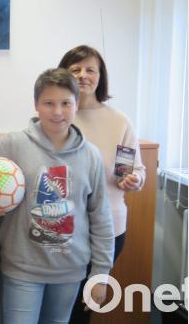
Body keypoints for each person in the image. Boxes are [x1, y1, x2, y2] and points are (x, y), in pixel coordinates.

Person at [0, 68, 114, 324]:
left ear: (76, 103)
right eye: (49, 103)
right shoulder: (17, 144)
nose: (57, 112)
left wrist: (101, 273)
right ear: (36, 104)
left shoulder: (90, 155)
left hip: (70, 271)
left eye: (65, 103)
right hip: (22, 269)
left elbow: (101, 217)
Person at [58, 45, 146, 323]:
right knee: (58, 306)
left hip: (107, 230)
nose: (83, 75)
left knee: (83, 307)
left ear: (100, 76)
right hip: (61, 229)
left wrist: (133, 179)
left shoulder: (119, 122)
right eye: (75, 69)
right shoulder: (57, 118)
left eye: (90, 70)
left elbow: (133, 170)